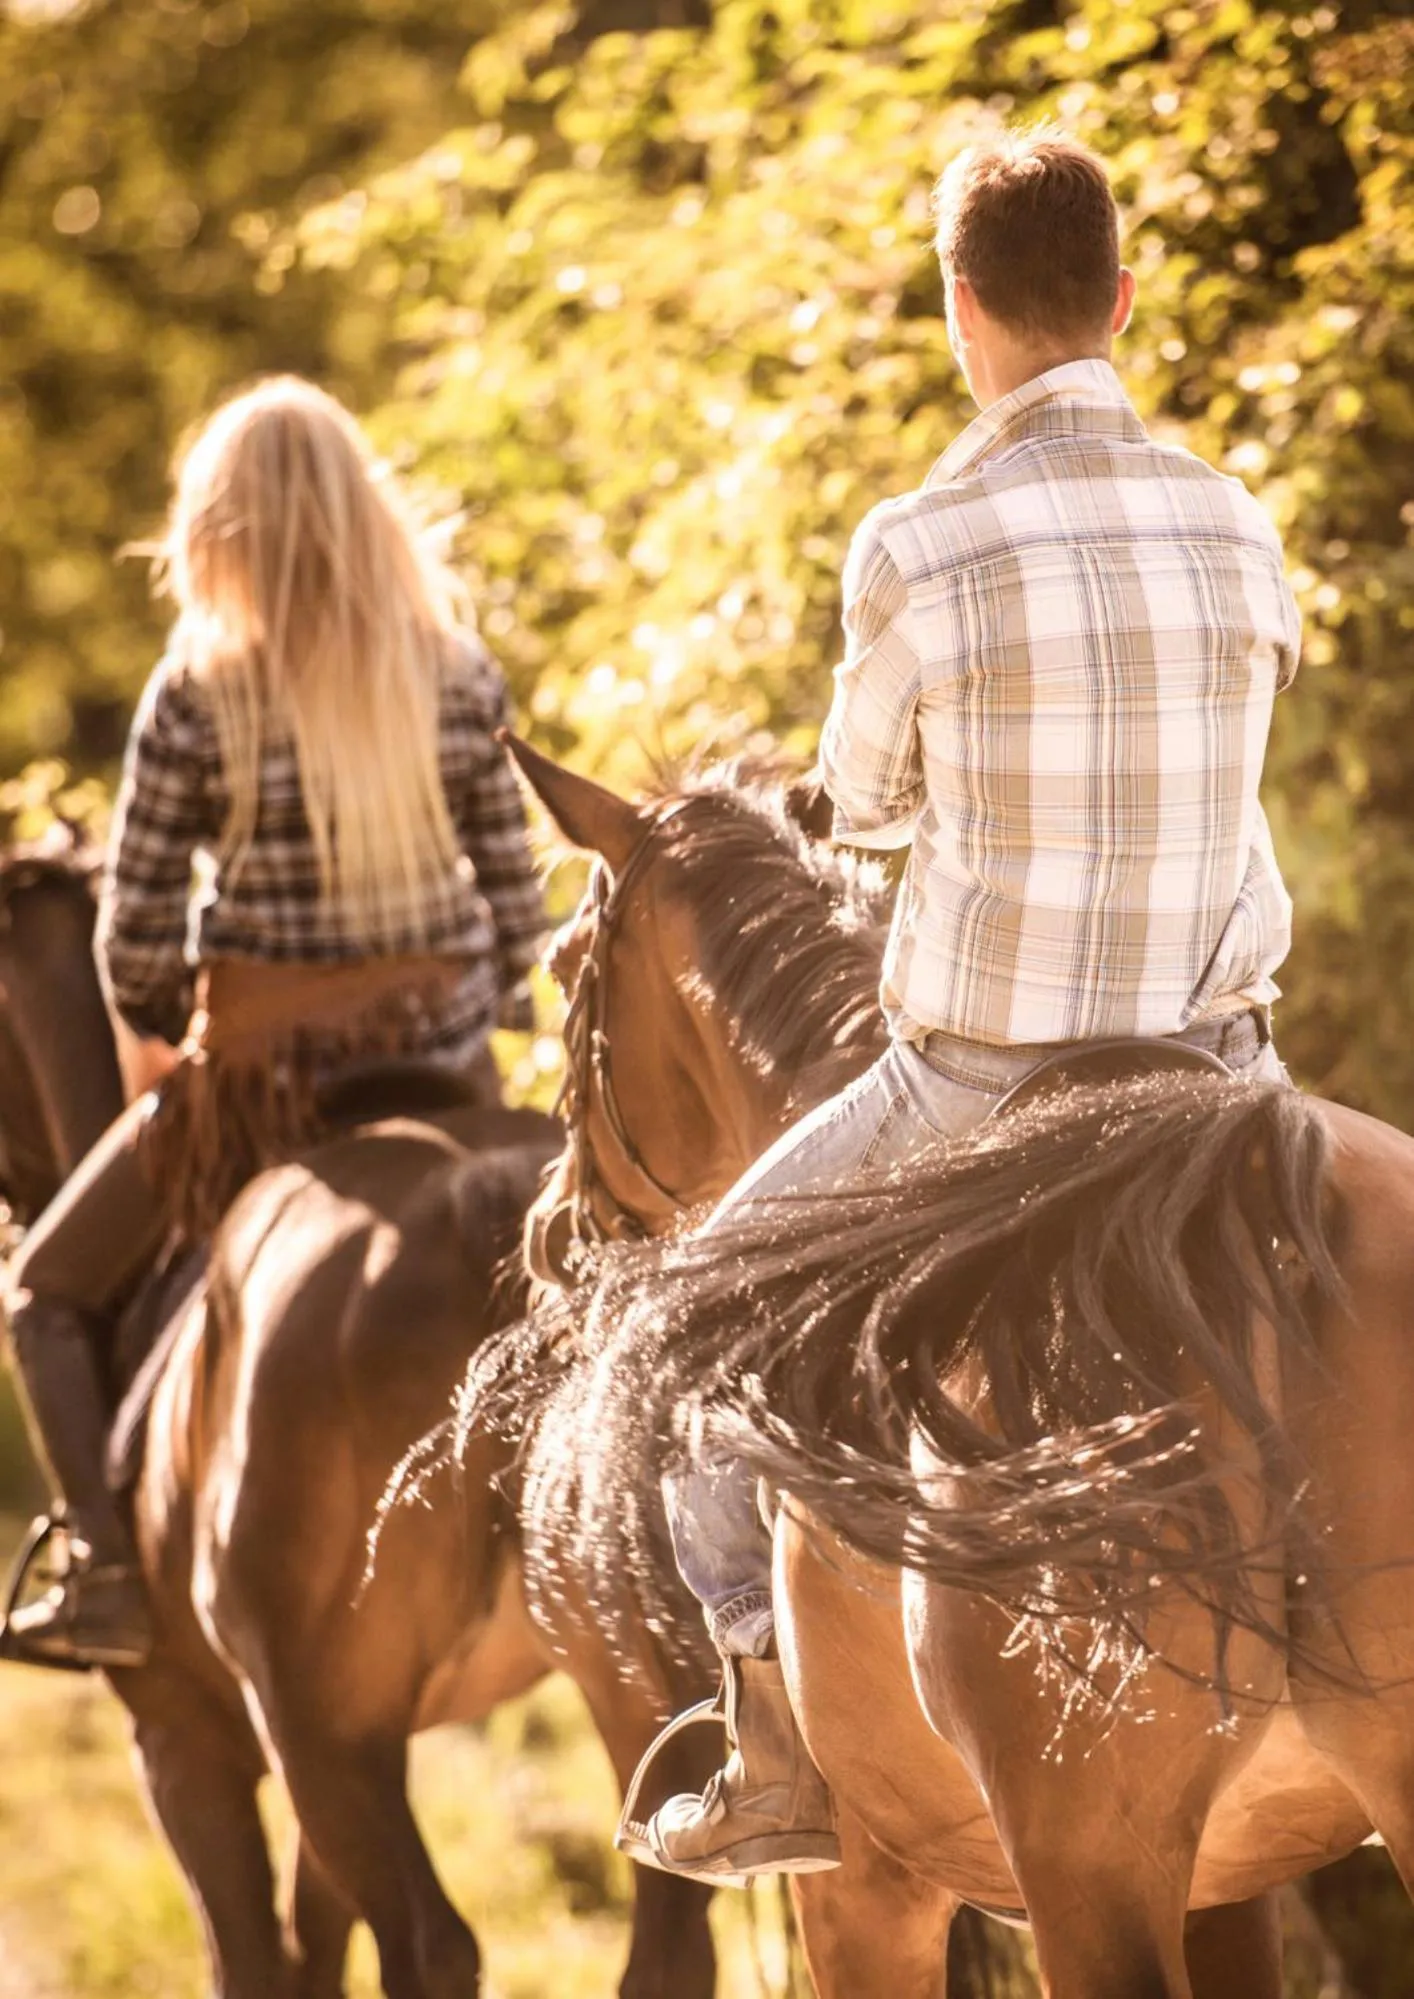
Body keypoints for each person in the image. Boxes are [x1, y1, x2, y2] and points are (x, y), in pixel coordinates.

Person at [627, 129, 1301, 1883]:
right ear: (1123, 301)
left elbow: (858, 807)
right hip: (1221, 1072)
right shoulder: (1235, 520)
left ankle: (770, 1742)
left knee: (690, 1327)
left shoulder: (917, 544)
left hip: (985, 1085)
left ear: (958, 312)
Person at [3, 376, 546, 1669]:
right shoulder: (457, 676)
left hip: (264, 1096)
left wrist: (188, 1006)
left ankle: (107, 1570)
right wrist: (455, 1002)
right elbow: (522, 918)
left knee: (40, 1296)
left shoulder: (201, 692)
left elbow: (129, 943)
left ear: (219, 530)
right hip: (454, 1079)